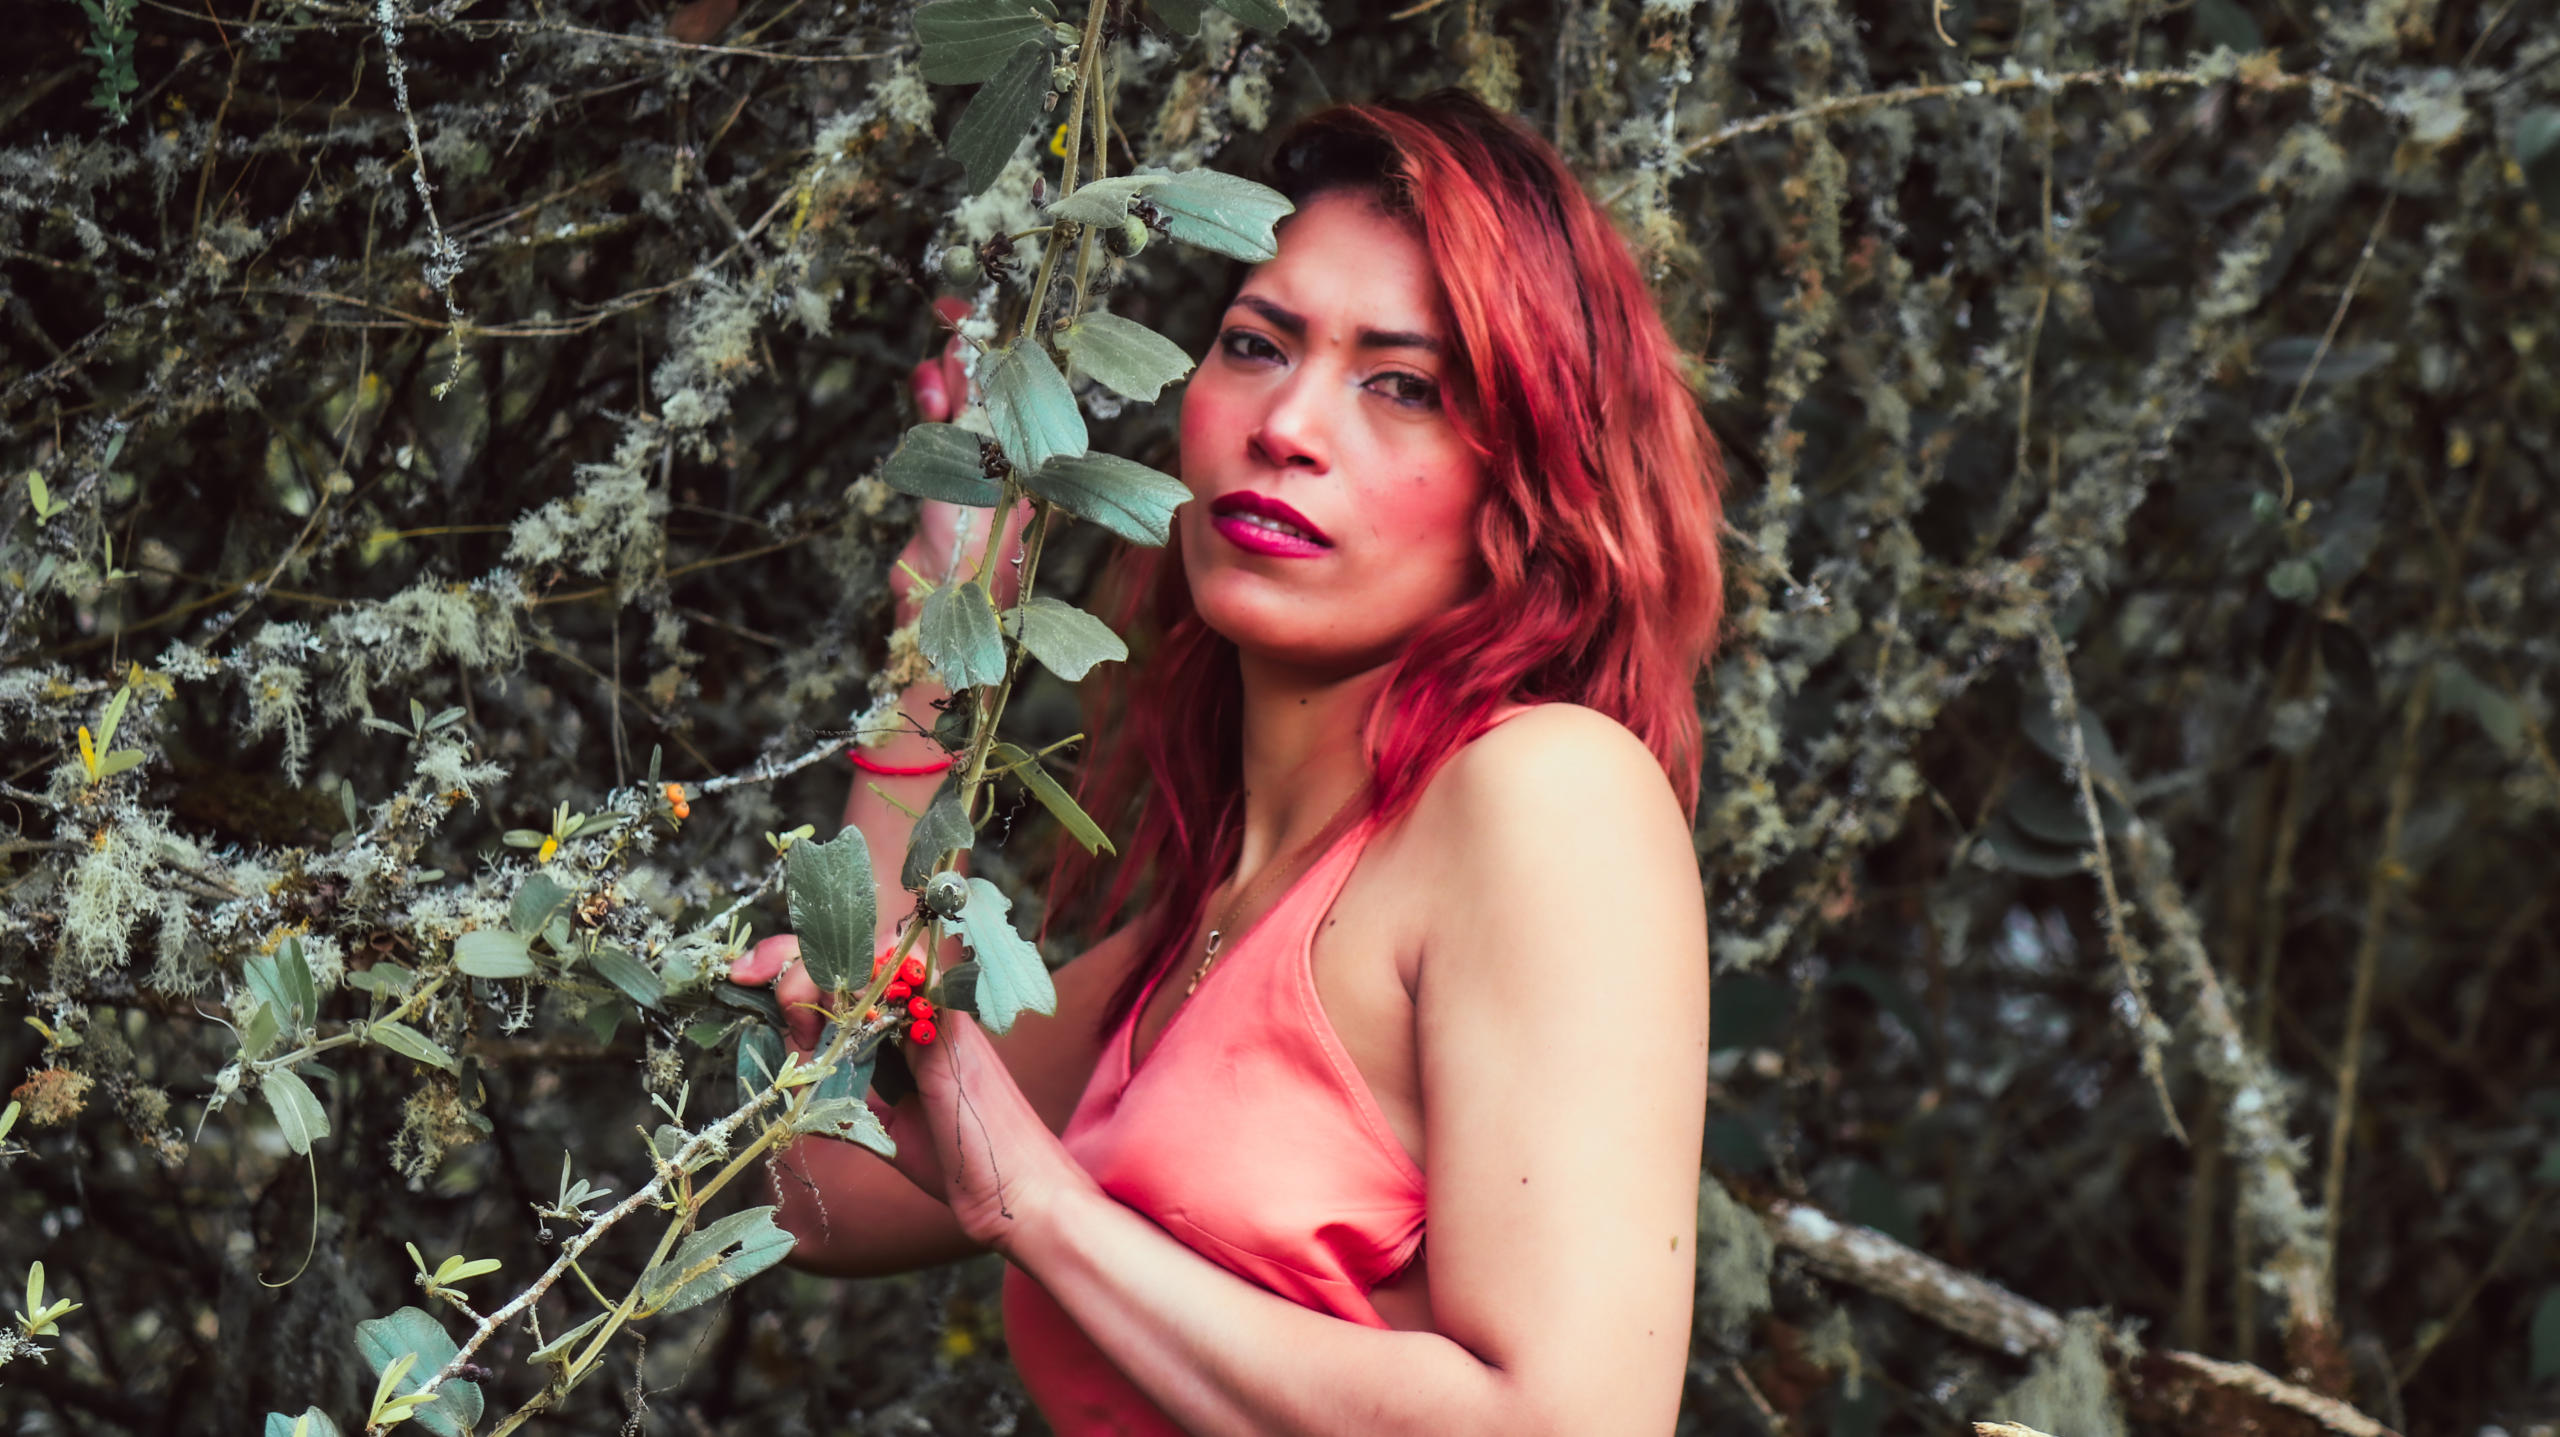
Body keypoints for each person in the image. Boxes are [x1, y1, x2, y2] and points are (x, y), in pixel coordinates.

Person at [727, 88, 1727, 1435]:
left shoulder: (1547, 793)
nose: (1288, 422)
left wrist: (1041, 1205)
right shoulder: (1208, 930)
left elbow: (1574, 1423)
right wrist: (943, 623)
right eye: (1256, 344)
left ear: (1529, 487)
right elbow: (822, 1194)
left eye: (1405, 385)